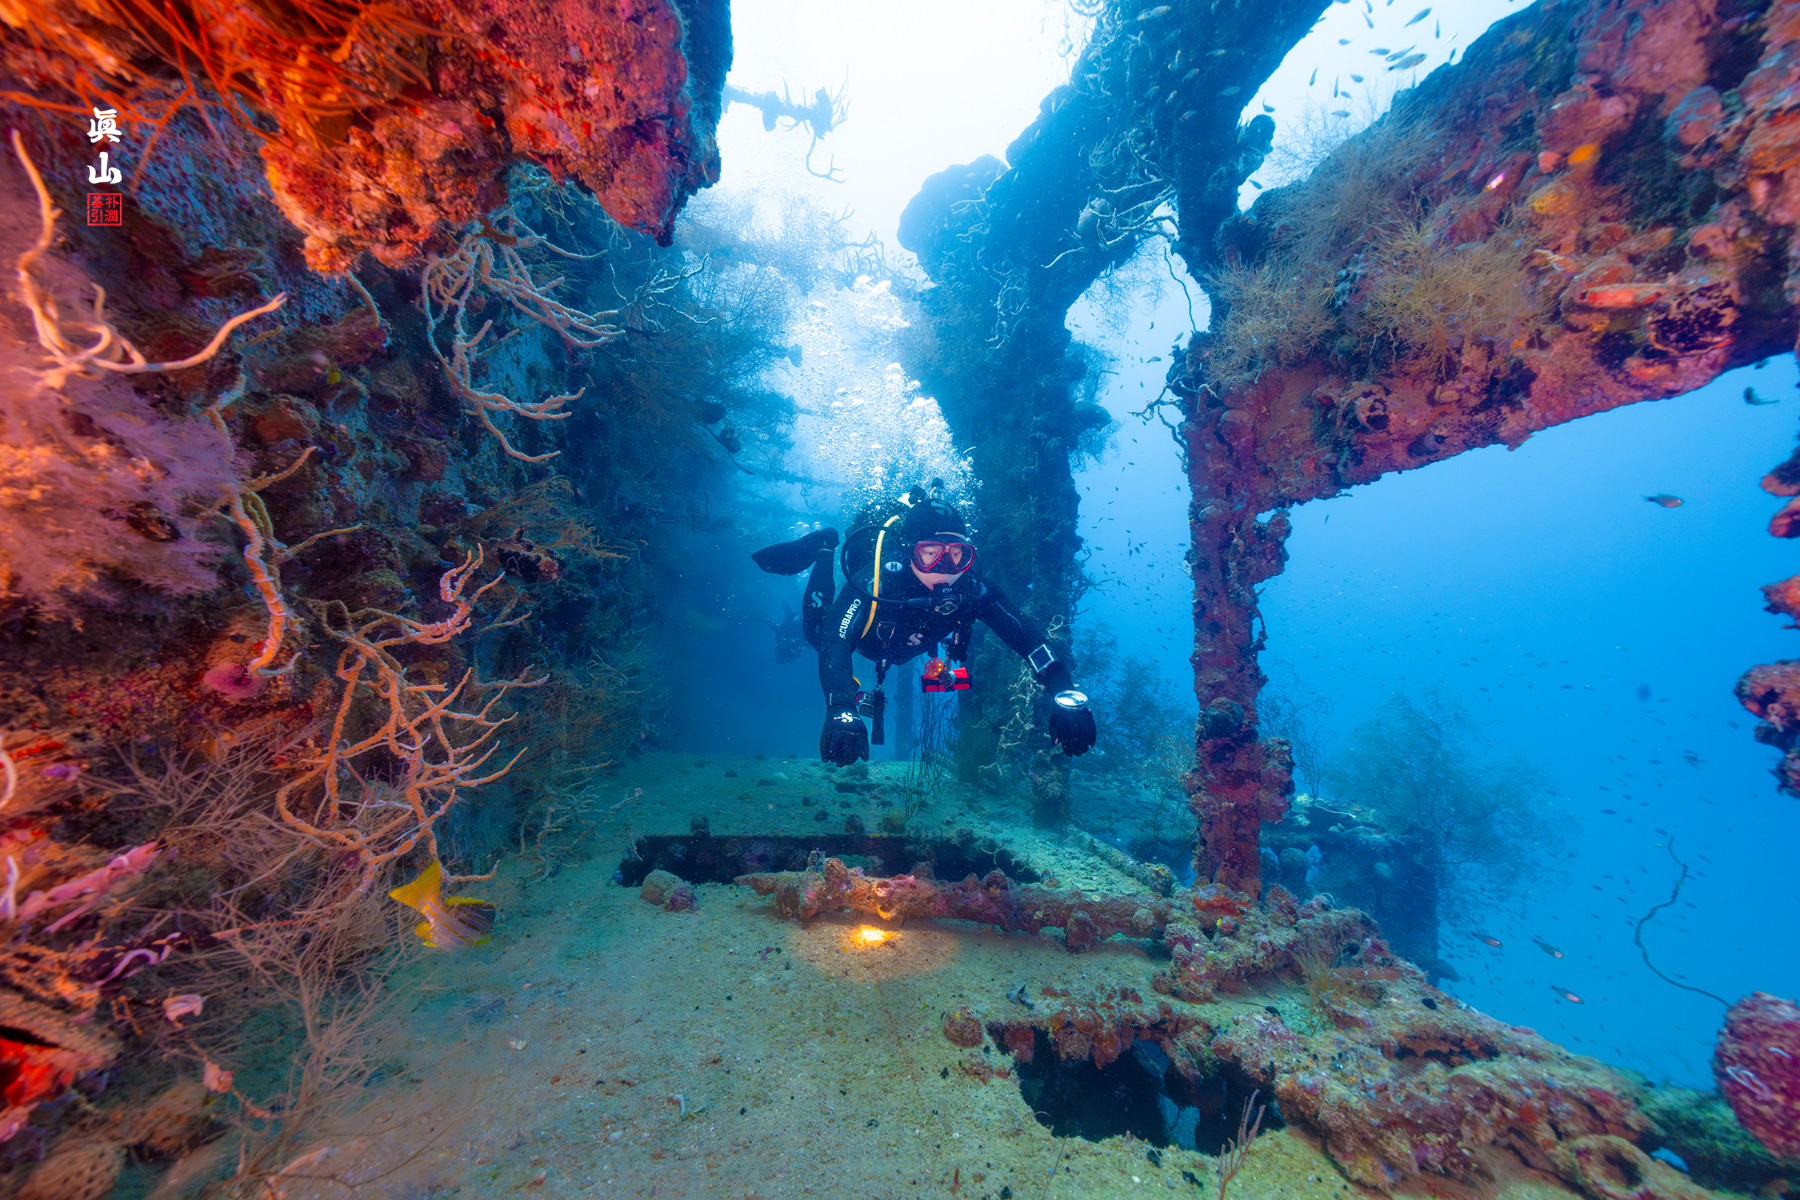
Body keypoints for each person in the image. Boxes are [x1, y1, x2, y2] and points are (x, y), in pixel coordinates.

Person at [752, 488, 1098, 766]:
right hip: (868, 639)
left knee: (947, 669)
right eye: (930, 553)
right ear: (909, 552)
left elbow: (1026, 636)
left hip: (904, 646)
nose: (947, 566)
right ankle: (825, 546)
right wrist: (841, 707)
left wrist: (1065, 693)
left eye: (958, 554)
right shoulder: (877, 581)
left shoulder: (970, 587)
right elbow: (837, 639)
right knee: (815, 632)